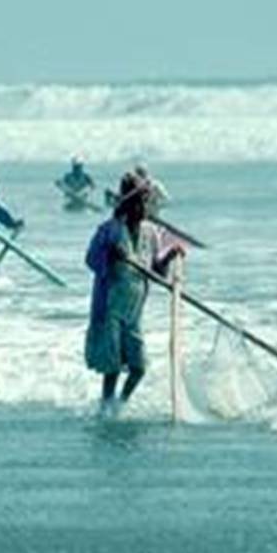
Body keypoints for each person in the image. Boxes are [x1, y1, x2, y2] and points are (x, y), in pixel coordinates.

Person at [84, 173, 185, 407]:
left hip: (134, 312)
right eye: (140, 202)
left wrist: (170, 255)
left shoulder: (151, 233)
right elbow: (91, 259)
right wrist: (109, 255)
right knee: (113, 367)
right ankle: (106, 407)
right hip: (111, 308)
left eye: (146, 202)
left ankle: (120, 404)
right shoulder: (109, 230)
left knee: (139, 368)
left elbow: (157, 273)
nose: (144, 207)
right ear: (128, 204)